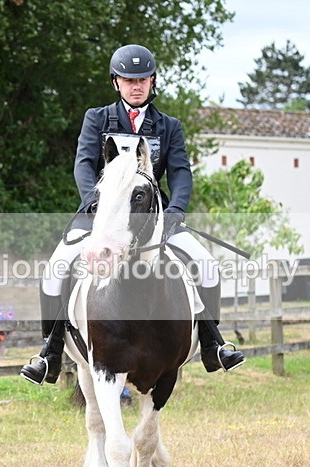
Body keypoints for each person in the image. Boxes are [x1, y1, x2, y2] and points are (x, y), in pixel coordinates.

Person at [20, 44, 244, 385]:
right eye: (128, 80)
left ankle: (213, 343)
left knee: (207, 267)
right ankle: (49, 352)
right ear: (116, 83)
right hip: (100, 215)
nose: (136, 86)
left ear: (152, 81)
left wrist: (176, 210)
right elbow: (84, 165)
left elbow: (181, 173)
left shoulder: (169, 126)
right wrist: (94, 206)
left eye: (142, 79)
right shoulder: (97, 118)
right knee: (55, 269)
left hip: (156, 219)